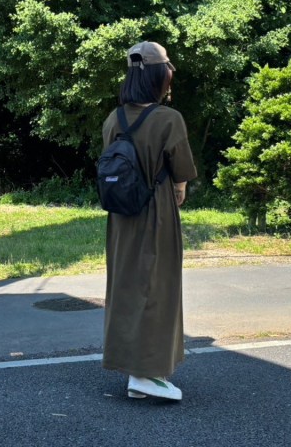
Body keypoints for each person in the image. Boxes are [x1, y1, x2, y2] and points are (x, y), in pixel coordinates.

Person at [101, 41, 197, 400]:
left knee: (126, 287)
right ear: (160, 76)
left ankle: (133, 370)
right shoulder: (169, 119)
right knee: (158, 287)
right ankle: (147, 373)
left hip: (121, 218)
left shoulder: (113, 118)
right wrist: (178, 188)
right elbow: (181, 173)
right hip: (156, 212)